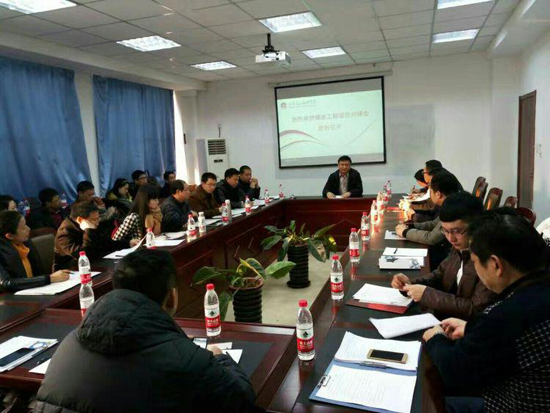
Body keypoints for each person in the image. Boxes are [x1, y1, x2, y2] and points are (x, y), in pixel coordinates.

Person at [34, 249, 257, 413]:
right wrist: (220, 358)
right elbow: (242, 402)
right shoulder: (187, 360)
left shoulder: (70, 341)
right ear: (172, 297)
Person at [423, 212, 550, 412]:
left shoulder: (507, 316)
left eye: (474, 262)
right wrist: (471, 329)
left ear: (496, 265)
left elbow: (455, 372)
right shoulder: (538, 289)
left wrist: (435, 337)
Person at [391, 192, 497, 320]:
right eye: (445, 231)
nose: (450, 238)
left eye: (456, 231)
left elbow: (475, 309)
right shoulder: (459, 247)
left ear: (476, 226)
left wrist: (426, 294)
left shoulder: (488, 259)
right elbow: (440, 274)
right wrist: (410, 285)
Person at [0, 210, 70, 292]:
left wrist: (53, 276)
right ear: (9, 236)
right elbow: (7, 283)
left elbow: (37, 274)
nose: (28, 229)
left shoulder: (26, 243)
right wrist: (49, 278)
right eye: (23, 228)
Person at [54, 203, 137, 271]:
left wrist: (128, 243)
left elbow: (105, 243)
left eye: (98, 218)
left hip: (95, 263)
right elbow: (84, 255)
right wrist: (88, 230)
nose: (97, 223)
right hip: (71, 271)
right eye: (94, 220)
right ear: (80, 220)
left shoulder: (91, 224)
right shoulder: (64, 233)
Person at [395, 171, 461, 246]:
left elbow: (431, 238)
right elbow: (433, 224)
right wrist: (410, 226)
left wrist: (405, 232)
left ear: (438, 194)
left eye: (430, 192)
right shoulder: (450, 204)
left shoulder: (452, 209)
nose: (430, 195)